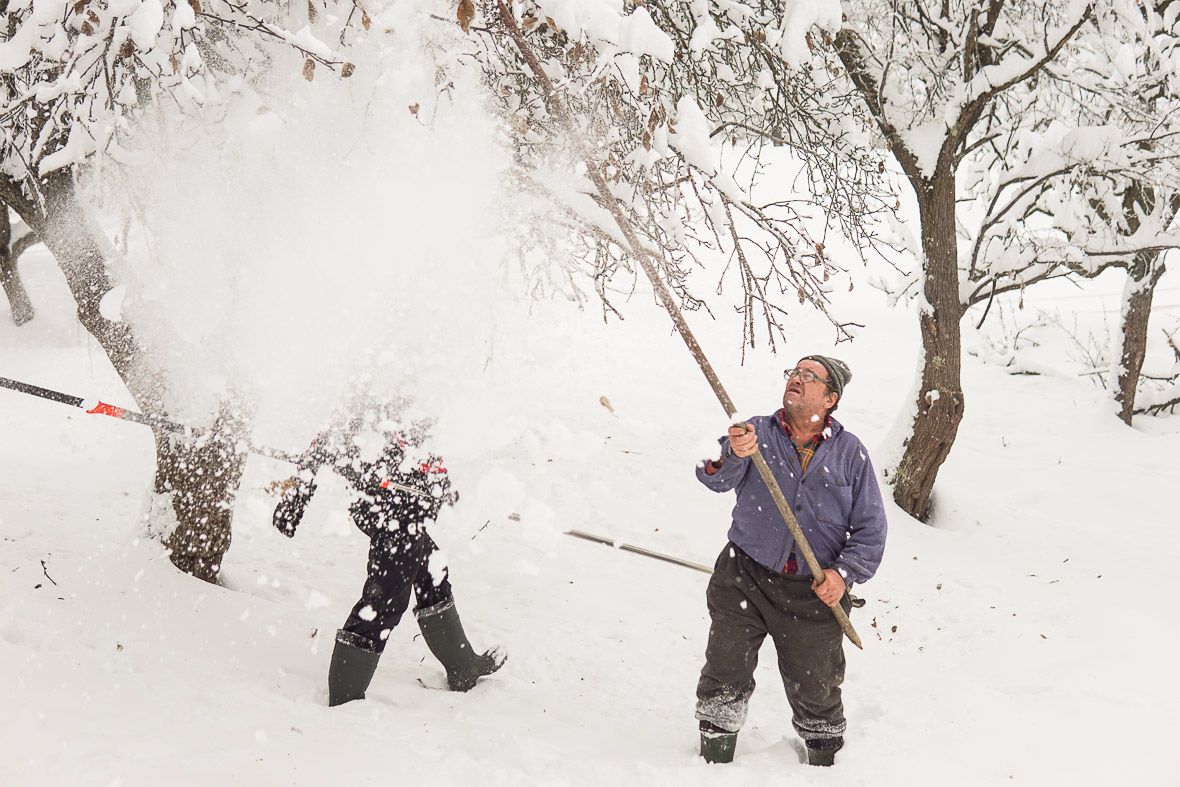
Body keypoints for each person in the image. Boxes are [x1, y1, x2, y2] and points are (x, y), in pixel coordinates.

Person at [694, 355, 887, 766]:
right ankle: (710, 763)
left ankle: (825, 766)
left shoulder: (851, 454)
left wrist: (842, 573)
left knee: (817, 691)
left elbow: (871, 531)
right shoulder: (755, 432)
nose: (796, 379)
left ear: (830, 397)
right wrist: (733, 454)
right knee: (724, 675)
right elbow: (712, 475)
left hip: (812, 593)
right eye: (794, 373)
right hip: (742, 575)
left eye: (808, 376)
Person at [271, 409, 505, 705]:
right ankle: (345, 700)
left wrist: (442, 486)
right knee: (384, 602)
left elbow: (424, 453)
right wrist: (296, 500)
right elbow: (326, 441)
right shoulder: (378, 394)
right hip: (392, 512)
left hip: (406, 511)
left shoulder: (423, 398)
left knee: (433, 572)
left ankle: (463, 668)